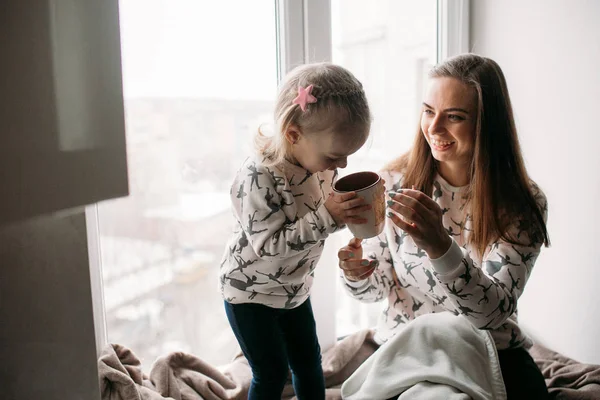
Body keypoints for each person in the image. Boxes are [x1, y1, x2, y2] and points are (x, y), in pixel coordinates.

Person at [337, 53, 551, 399]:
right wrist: (355, 273)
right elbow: (374, 291)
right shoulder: (392, 182)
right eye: (428, 111)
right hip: (407, 348)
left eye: (454, 117)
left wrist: (441, 246)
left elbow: (492, 312)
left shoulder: (519, 204)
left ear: (486, 123)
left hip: (488, 350)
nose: (434, 128)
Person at [220, 62, 376, 400]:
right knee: (271, 372)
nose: (343, 166)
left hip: (293, 289)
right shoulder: (258, 176)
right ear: (293, 135)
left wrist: (351, 219)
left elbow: (317, 219)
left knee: (309, 363)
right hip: (249, 294)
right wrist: (327, 217)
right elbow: (270, 245)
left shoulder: (317, 165)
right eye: (336, 156)